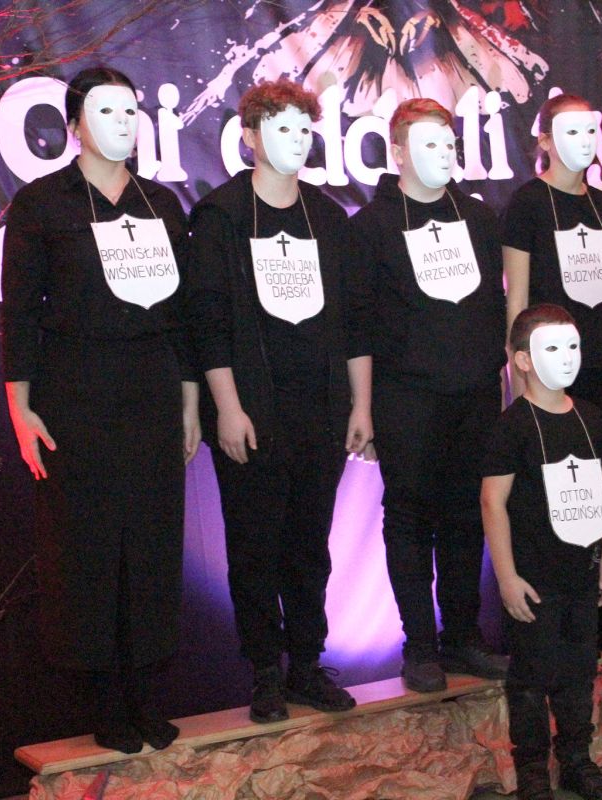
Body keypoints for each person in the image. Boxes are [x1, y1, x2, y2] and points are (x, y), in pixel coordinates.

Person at [2, 65, 198, 754]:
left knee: (151, 543)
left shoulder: (161, 202)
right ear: (75, 125)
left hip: (151, 389)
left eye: (132, 111)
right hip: (75, 393)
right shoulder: (41, 205)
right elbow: (20, 314)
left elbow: (182, 314)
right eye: (107, 112)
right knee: (87, 548)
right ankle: (105, 703)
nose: (124, 123)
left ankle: (145, 695)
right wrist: (20, 407)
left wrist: (190, 400)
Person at [185, 79, 369, 723]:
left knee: (310, 548)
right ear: (250, 137)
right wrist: (228, 407)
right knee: (254, 548)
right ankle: (265, 672)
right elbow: (207, 323)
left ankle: (307, 666)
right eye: (281, 127)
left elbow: (352, 321)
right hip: (252, 413)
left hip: (321, 410)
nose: (297, 140)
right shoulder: (221, 216)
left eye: (304, 128)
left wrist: (361, 405)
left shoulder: (328, 218)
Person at [347, 98, 508, 693]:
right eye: (429, 143)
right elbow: (358, 325)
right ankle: (419, 646)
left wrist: (499, 374)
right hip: (406, 397)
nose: (444, 154)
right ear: (397, 153)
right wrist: (363, 407)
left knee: (467, 515)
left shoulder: (479, 218)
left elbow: (494, 302)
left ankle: (463, 636)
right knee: (410, 518)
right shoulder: (371, 227)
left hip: (475, 393)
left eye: (449, 143)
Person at [481, 304, 602, 800]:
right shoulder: (512, 425)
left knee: (579, 670)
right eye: (552, 347)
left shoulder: (592, 417)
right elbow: (492, 501)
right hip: (534, 576)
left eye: (573, 346)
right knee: (531, 676)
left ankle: (577, 759)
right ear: (522, 359)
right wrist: (506, 576)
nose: (567, 357)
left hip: (582, 570)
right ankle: (533, 771)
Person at [501, 93, 602, 409]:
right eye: (572, 131)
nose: (585, 141)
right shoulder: (526, 204)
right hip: (552, 364)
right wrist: (518, 374)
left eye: (590, 130)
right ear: (545, 141)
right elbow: (517, 298)